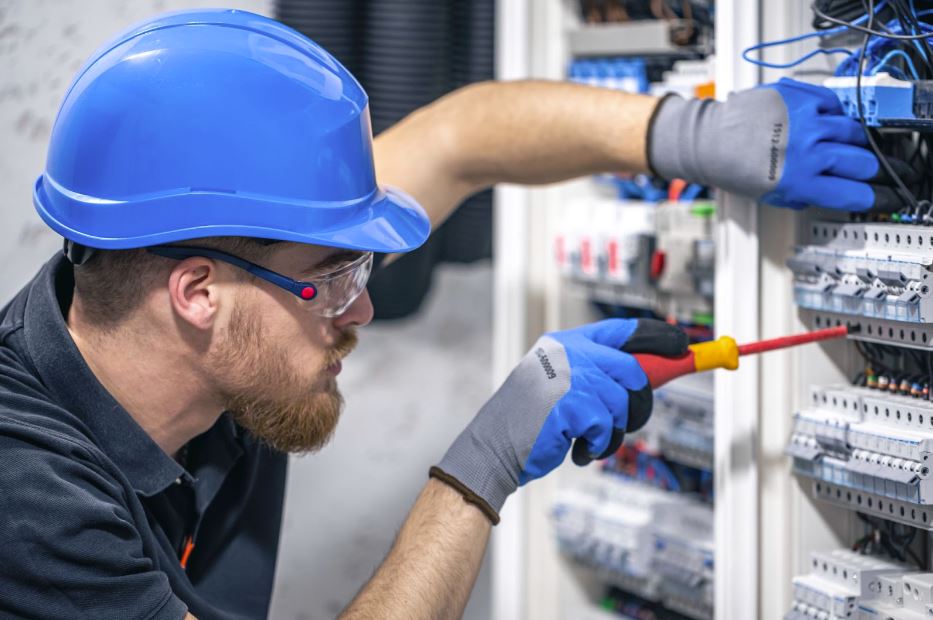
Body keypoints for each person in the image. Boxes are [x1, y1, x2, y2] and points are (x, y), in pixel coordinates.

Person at [0, 9, 897, 620]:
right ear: (196, 294)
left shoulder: (234, 287)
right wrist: (479, 470)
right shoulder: (30, 502)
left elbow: (462, 137)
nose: (363, 305)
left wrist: (688, 133)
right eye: (334, 277)